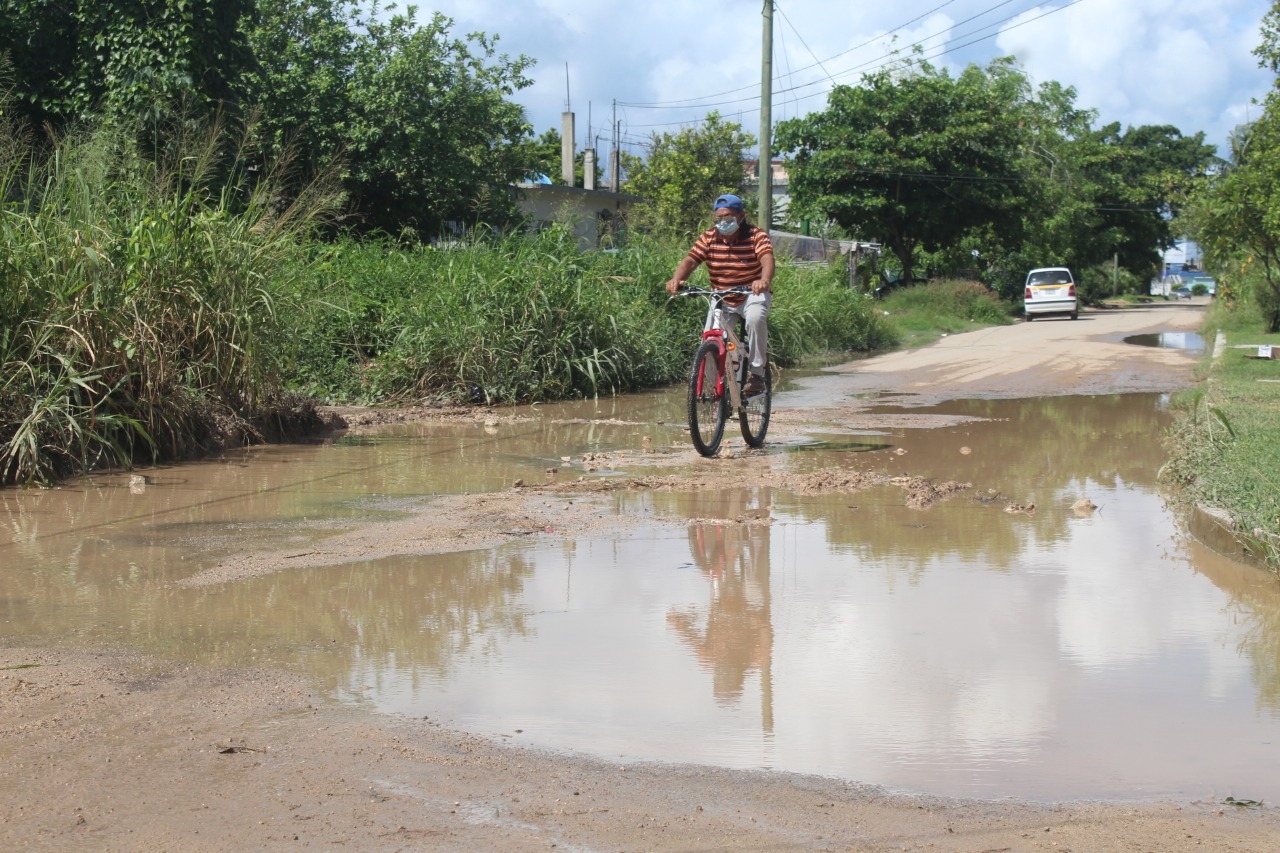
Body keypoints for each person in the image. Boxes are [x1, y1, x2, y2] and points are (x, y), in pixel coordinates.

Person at [666, 193, 774, 397]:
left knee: (754, 318)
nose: (723, 222)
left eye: (729, 217)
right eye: (719, 218)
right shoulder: (708, 237)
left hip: (752, 292)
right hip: (722, 296)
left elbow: (767, 259)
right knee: (710, 340)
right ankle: (717, 392)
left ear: (741, 216)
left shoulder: (756, 235)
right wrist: (677, 279)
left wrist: (764, 281)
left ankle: (757, 374)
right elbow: (691, 260)